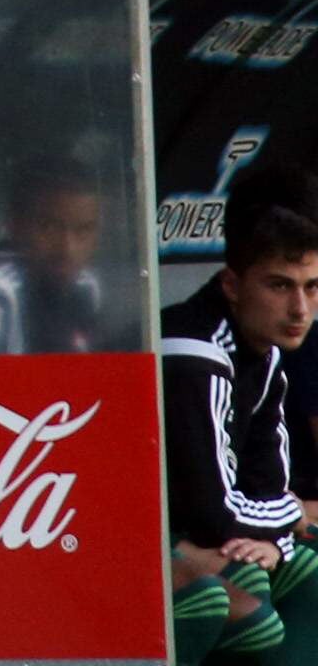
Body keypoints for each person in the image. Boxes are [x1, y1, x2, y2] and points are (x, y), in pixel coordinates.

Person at [170, 208, 318, 666]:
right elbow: (214, 511)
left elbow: (265, 484)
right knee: (250, 607)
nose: (300, 308)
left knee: (306, 570)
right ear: (232, 286)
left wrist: (277, 539)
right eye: (279, 286)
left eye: (311, 287)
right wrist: (292, 513)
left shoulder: (267, 352)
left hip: (209, 529)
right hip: (146, 531)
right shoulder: (197, 351)